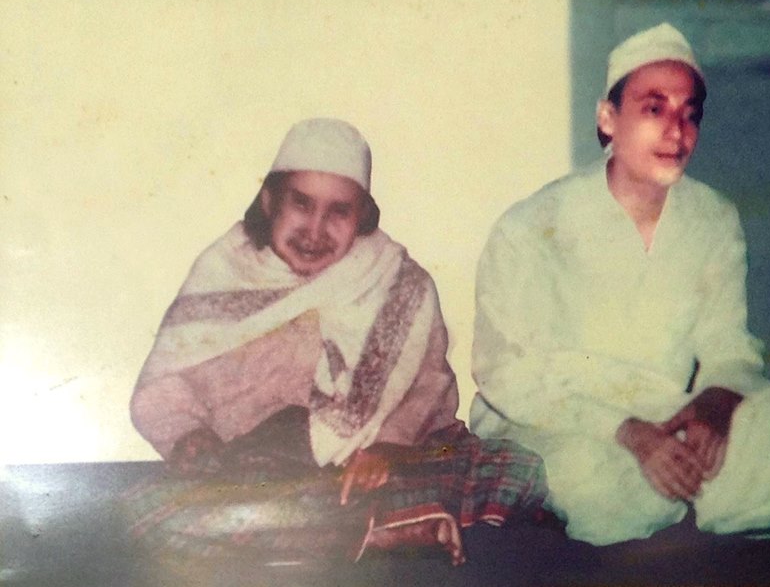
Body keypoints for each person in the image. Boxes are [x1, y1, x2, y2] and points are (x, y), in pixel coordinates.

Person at [128, 118, 547, 566]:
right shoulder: (226, 269)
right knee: (151, 506)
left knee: (516, 470)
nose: (315, 229)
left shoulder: (397, 280)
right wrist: (188, 435)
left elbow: (427, 390)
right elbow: (168, 381)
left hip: (371, 464)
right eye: (301, 203)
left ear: (361, 215)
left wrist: (385, 448)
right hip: (255, 463)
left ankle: (332, 529)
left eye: (339, 211)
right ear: (269, 200)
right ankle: (374, 532)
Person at [469, 23, 770, 545]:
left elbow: (727, 345)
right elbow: (507, 374)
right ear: (607, 119)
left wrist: (712, 408)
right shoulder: (532, 225)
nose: (677, 132)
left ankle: (682, 487)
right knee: (586, 477)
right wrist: (630, 434)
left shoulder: (713, 218)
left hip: (664, 412)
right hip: (557, 422)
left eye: (689, 114)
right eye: (654, 109)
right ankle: (698, 497)